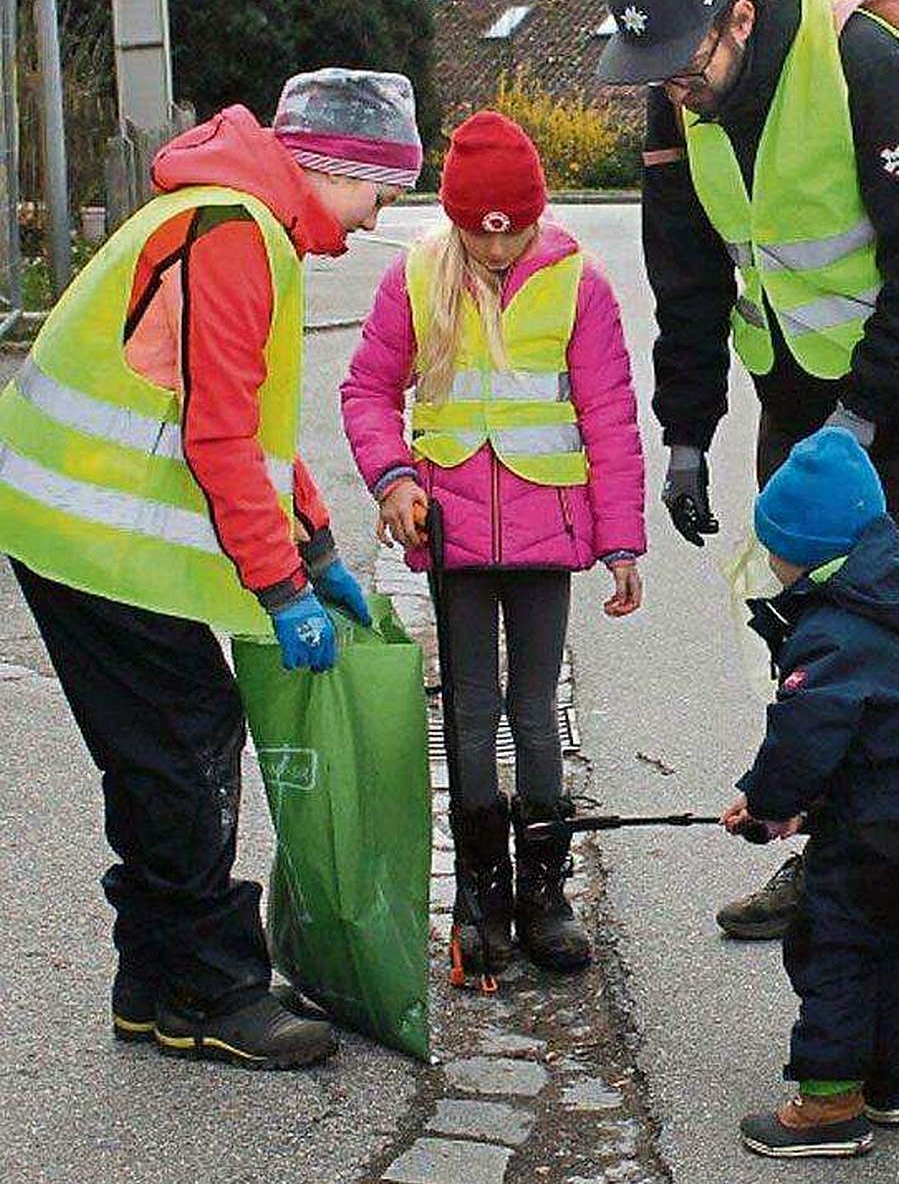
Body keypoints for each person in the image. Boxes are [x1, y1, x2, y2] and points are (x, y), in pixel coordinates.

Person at [0, 68, 422, 1069]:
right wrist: (280, 590)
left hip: (78, 536)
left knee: (169, 748)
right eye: (377, 196)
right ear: (329, 166)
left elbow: (258, 434)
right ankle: (206, 990)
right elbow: (220, 440)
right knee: (182, 748)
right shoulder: (235, 235)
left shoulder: (233, 221)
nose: (372, 223)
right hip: (88, 543)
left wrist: (315, 550)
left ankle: (157, 979)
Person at [596, 0, 899, 975]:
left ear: (737, 17)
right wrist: (685, 432)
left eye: (686, 70)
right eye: (655, 77)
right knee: (810, 645)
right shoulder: (675, 82)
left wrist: (864, 415)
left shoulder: (858, 63)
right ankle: (828, 854)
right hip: (798, 395)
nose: (674, 93)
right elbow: (685, 273)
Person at [341, 109, 645, 981]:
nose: (499, 252)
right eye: (481, 237)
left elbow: (611, 418)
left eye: (511, 236)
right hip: (453, 534)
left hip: (548, 533)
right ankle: (480, 895)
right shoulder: (415, 278)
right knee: (471, 713)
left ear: (538, 216)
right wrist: (393, 476)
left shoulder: (580, 284)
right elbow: (366, 389)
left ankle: (545, 894)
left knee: (535, 711)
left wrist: (621, 541)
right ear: (457, 221)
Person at [721, 429, 899, 1158]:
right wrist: (799, 805)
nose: (769, 561)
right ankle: (892, 1087)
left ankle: (828, 1103)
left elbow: (803, 738)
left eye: (776, 547)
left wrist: (766, 805)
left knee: (832, 945)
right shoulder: (893, 604)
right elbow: (870, 734)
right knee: (891, 946)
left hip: (873, 829)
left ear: (807, 552)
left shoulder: (831, 633)